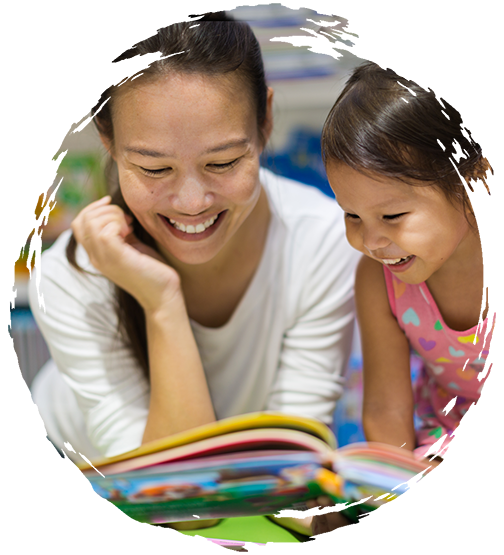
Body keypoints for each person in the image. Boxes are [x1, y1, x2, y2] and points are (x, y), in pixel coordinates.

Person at [28, 20, 359, 535]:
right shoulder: (68, 279)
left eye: (222, 162)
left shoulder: (320, 244)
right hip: (77, 460)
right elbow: (185, 504)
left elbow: (288, 475)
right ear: (108, 141)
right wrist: (161, 302)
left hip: (232, 480)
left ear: (266, 120)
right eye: (154, 169)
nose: (191, 203)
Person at [310, 62, 496, 545]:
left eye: (392, 215)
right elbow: (388, 412)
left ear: (475, 180)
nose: (371, 240)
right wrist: (397, 500)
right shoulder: (380, 282)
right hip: (451, 444)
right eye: (351, 215)